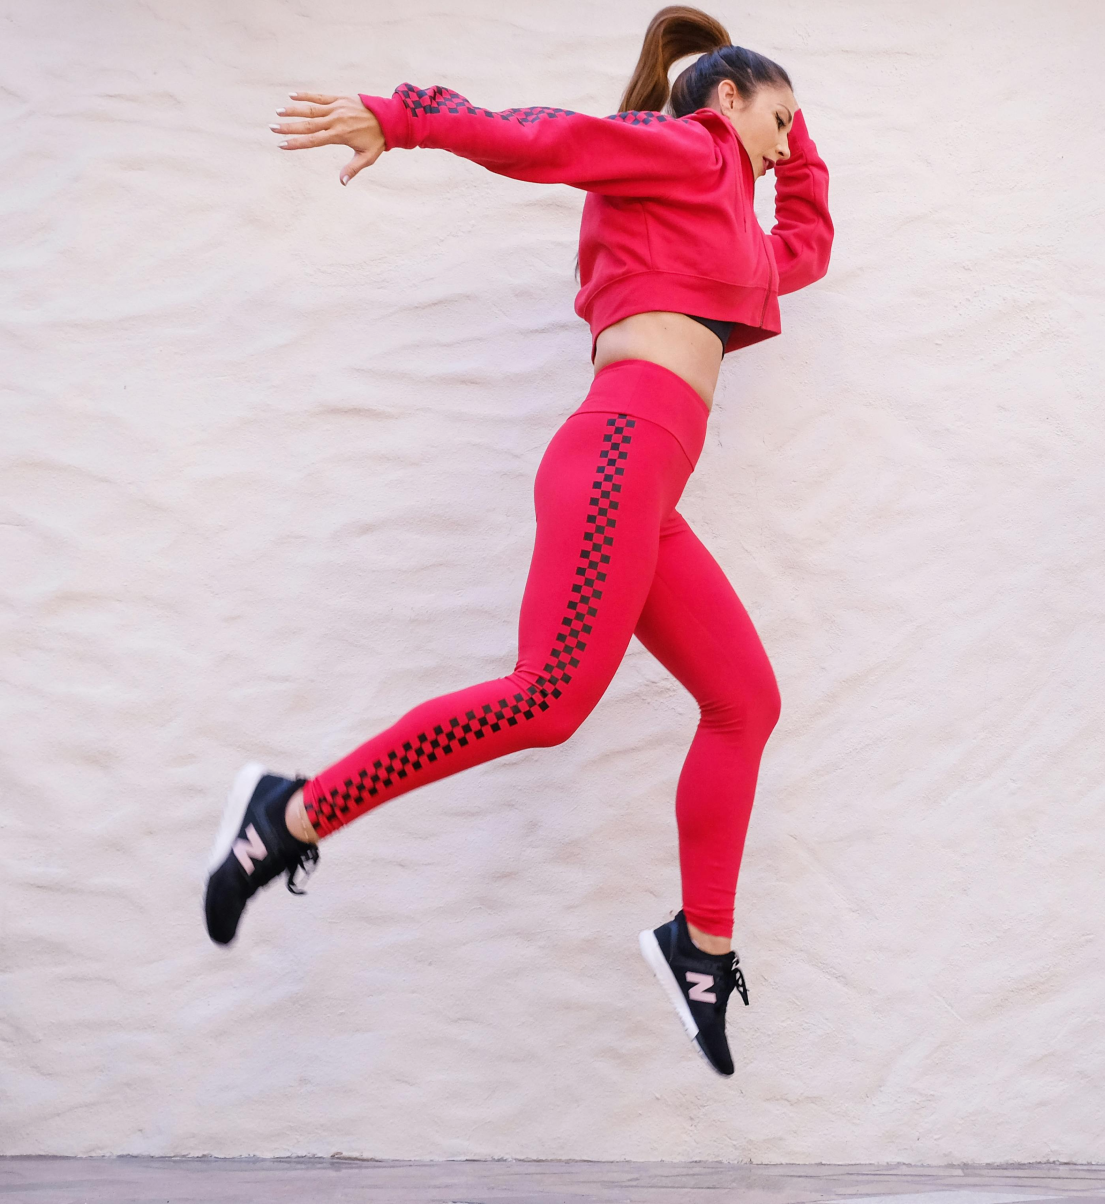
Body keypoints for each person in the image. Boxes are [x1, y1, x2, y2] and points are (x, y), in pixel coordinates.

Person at [201, 4, 831, 1078]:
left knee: (744, 701)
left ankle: (702, 944)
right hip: (619, 449)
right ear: (729, 100)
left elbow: (805, 248)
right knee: (546, 699)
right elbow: (543, 139)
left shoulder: (726, 224)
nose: (782, 148)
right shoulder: (686, 148)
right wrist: (405, 118)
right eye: (778, 121)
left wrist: (796, 129)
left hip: (650, 485)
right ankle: (290, 814)